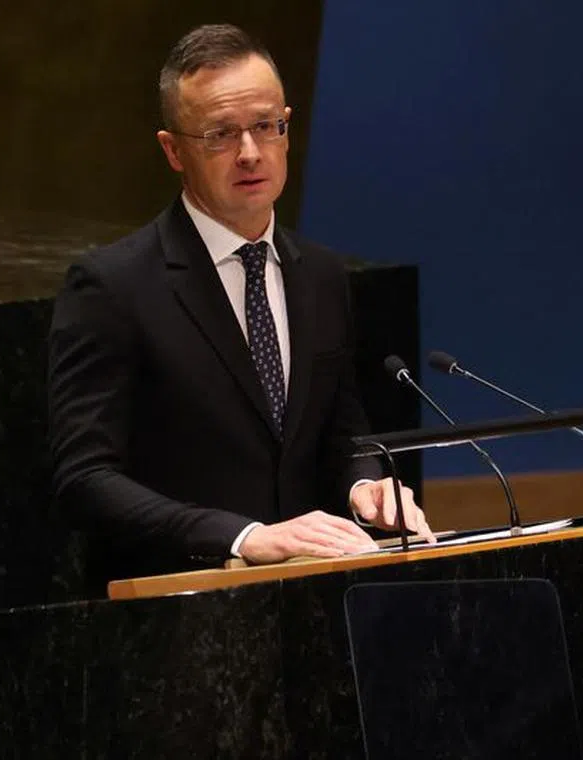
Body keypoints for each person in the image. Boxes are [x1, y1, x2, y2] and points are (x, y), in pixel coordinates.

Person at [47, 23, 433, 583]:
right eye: (221, 135)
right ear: (173, 150)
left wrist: (365, 483)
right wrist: (243, 536)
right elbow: (84, 480)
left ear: (287, 129)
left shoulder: (321, 276)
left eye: (264, 127)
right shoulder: (111, 286)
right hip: (178, 613)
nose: (250, 153)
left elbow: (340, 432)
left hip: (312, 605)